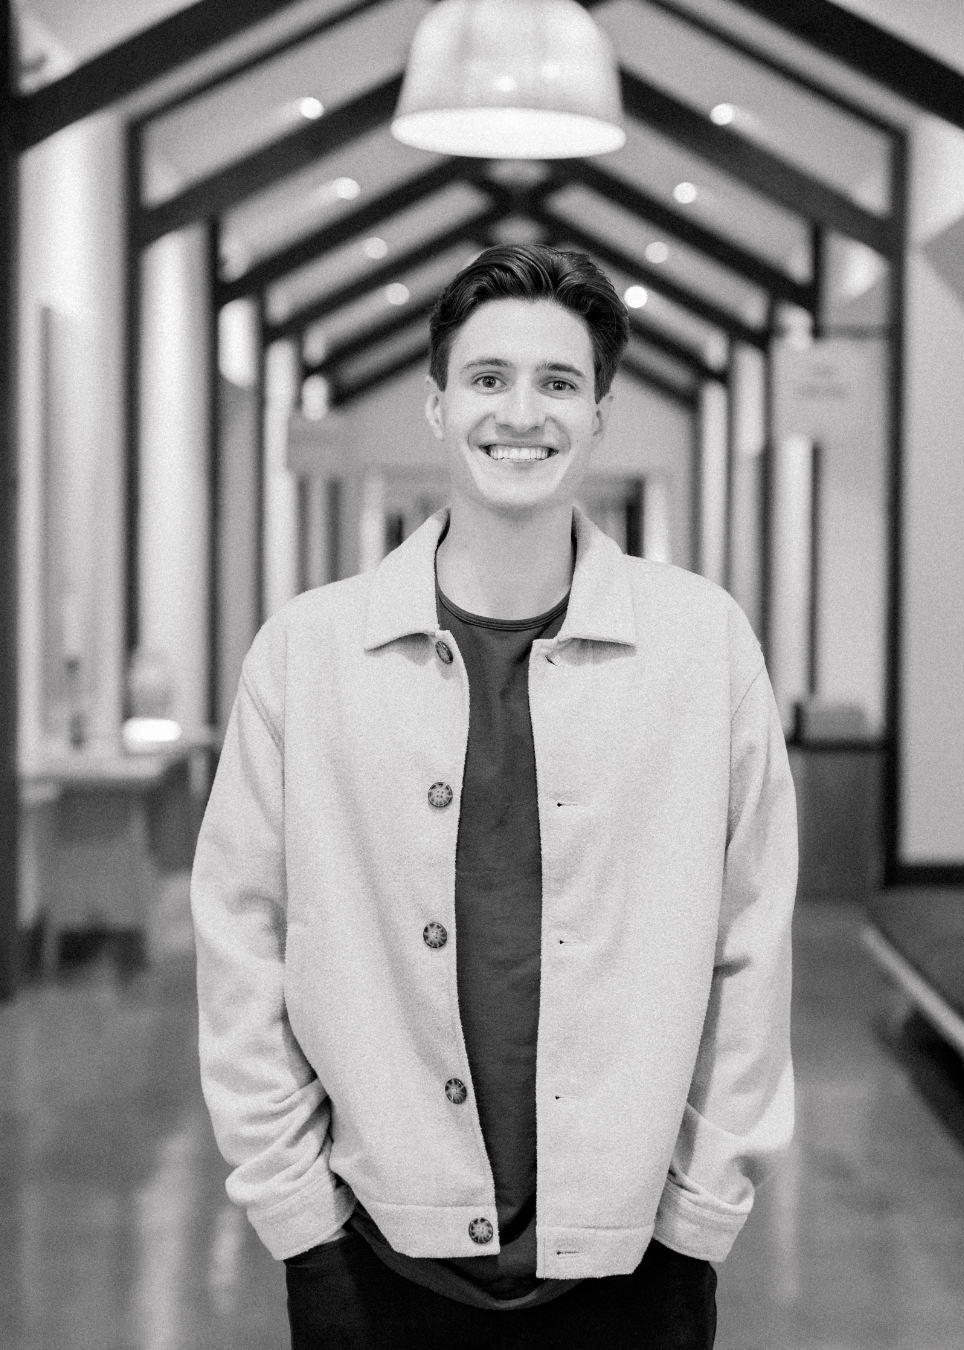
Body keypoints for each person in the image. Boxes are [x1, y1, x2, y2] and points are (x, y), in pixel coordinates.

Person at [191, 243, 797, 1349]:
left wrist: (702, 1212)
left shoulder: (703, 644)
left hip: (637, 1259)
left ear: (600, 414)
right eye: (488, 378)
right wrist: (296, 1217)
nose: (523, 413)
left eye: (560, 383)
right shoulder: (308, 652)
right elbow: (241, 935)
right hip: (369, 1252)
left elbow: (752, 937)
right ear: (435, 405)